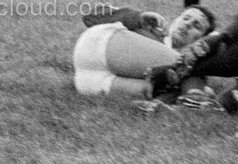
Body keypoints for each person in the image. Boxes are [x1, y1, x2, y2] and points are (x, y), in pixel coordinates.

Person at [72, 6, 216, 97]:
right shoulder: (152, 27)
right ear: (176, 19)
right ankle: (197, 93)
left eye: (197, 25)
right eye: (186, 18)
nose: (188, 24)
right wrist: (138, 18)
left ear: (201, 40)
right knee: (187, 66)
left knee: (154, 90)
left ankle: (194, 97)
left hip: (90, 78)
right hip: (97, 44)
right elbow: (90, 17)